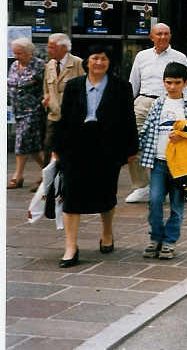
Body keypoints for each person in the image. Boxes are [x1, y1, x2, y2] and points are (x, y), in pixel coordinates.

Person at [54, 44, 138, 268]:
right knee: (70, 195)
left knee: (106, 193)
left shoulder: (121, 87)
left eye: (103, 59)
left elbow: (129, 120)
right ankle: (71, 247)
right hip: (76, 147)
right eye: (95, 58)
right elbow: (63, 120)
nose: (99, 63)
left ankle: (107, 233)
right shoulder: (73, 86)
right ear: (87, 61)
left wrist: (131, 149)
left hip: (107, 148)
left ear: (109, 62)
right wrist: (56, 148)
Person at [138, 62, 187, 260]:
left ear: (185, 83)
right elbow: (147, 129)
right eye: (168, 82)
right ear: (163, 82)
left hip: (182, 165)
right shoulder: (158, 103)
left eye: (177, 82)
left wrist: (182, 134)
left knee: (177, 205)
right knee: (154, 201)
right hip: (159, 162)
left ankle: (169, 241)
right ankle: (155, 237)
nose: (172, 87)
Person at [127, 23, 187, 203]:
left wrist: (185, 109)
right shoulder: (141, 56)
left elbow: (186, 86)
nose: (162, 37)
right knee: (133, 144)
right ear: (151, 37)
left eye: (165, 34)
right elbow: (133, 83)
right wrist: (127, 106)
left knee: (168, 147)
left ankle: (170, 185)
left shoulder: (179, 57)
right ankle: (141, 186)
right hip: (144, 102)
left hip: (169, 103)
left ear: (170, 36)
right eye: (159, 34)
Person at [40, 33, 85, 192]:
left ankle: (73, 179)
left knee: (72, 149)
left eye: (52, 46)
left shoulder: (78, 63)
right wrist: (46, 99)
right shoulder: (49, 65)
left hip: (72, 117)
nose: (49, 50)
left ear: (63, 48)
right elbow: (47, 88)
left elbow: (85, 88)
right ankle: (47, 183)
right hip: (53, 115)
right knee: (48, 147)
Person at [8, 38, 47, 189]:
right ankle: (50, 171)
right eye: (15, 53)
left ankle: (17, 176)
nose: (17, 56)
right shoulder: (14, 65)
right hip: (18, 110)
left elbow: (46, 86)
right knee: (32, 146)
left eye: (20, 53)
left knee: (22, 140)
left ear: (29, 52)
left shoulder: (39, 65)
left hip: (34, 110)